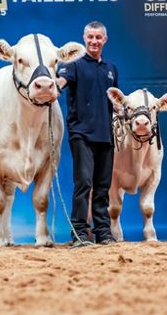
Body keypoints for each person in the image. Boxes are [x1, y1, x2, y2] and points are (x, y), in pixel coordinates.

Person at [57, 21, 119, 247]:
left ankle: (103, 233)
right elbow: (60, 83)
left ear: (105, 40)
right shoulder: (72, 64)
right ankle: (79, 234)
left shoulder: (111, 68)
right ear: (84, 39)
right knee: (83, 184)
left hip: (106, 136)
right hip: (81, 134)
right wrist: (51, 88)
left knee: (103, 188)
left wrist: (123, 110)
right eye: (90, 37)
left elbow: (115, 100)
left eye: (98, 37)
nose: (94, 41)